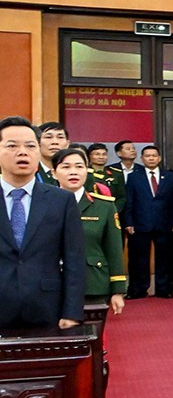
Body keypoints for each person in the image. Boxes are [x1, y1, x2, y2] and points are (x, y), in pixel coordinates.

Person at [0, 116, 85, 333]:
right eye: (12, 146)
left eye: (30, 146)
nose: (23, 152)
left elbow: (74, 260)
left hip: (47, 308)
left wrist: (72, 311)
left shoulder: (61, 200)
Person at [52, 147, 126, 315]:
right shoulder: (41, 204)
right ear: (54, 173)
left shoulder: (104, 206)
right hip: (51, 285)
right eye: (65, 167)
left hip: (93, 283)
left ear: (87, 170)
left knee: (91, 337)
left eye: (79, 166)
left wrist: (117, 290)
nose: (73, 172)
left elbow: (113, 249)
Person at [124, 144, 173, 297]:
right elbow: (129, 201)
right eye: (147, 156)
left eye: (154, 155)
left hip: (164, 223)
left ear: (159, 158)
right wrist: (129, 222)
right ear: (142, 159)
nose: (151, 158)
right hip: (140, 224)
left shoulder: (169, 177)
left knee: (164, 258)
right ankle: (138, 289)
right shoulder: (133, 177)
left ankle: (163, 289)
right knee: (138, 258)